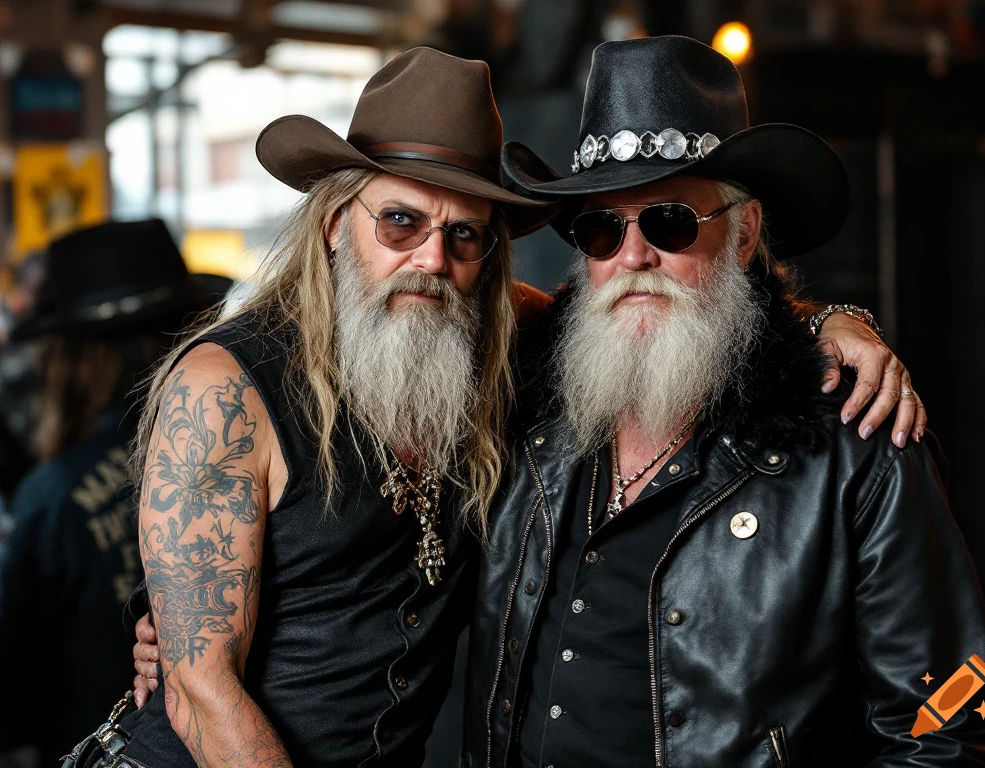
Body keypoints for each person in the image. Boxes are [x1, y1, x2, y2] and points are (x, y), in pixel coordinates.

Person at [124, 47, 924, 768]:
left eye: (467, 236)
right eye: (400, 220)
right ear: (337, 224)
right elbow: (202, 691)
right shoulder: (226, 386)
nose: (431, 258)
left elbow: (652, 307)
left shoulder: (478, 339)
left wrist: (825, 323)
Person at [462, 36, 985, 768]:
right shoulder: (524, 399)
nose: (633, 257)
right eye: (600, 229)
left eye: (670, 222)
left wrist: (830, 323)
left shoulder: (856, 438)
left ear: (744, 235)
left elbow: (946, 729)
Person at [0, 220, 225, 766]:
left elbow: (9, 683)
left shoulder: (54, 492)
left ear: (69, 360)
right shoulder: (241, 456)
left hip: (100, 748)